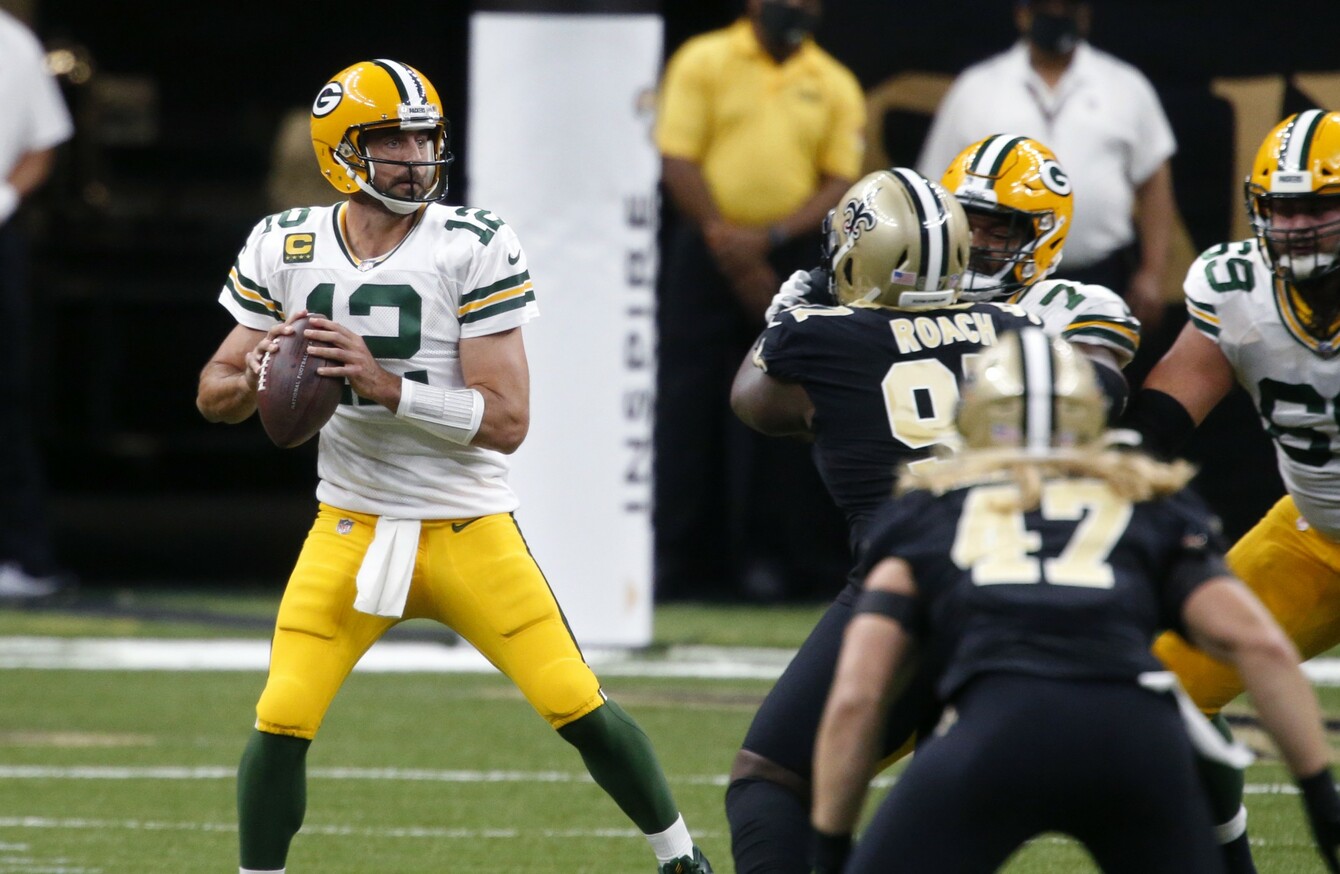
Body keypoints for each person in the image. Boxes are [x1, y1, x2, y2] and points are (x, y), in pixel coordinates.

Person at [195, 59, 711, 874]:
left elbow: (507, 422)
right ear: (340, 151)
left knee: (574, 701)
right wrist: (256, 372)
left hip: (467, 526)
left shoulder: (472, 243)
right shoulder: (285, 242)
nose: (414, 156)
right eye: (392, 140)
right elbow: (214, 391)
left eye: (424, 137)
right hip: (350, 523)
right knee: (282, 714)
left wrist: (385, 387)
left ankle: (682, 860)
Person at [724, 139, 1140, 874]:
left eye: (1005, 227)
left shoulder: (820, 335)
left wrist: (801, 313)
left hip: (911, 582)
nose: (985, 241)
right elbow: (1105, 393)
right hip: (1042, 577)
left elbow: (756, 404)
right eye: (973, 223)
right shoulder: (1024, 329)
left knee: (773, 778)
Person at [809, 328, 1340, 874]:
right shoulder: (1148, 504)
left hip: (993, 732)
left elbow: (858, 696)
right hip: (1134, 741)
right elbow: (1257, 645)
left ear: (972, 416)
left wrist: (828, 844)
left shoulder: (928, 512)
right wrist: (1319, 790)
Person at [1125, 108, 1340, 874]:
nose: (1295, 227)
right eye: (1281, 208)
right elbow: (1159, 422)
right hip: (1315, 538)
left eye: (1317, 207)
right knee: (1161, 696)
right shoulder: (1240, 288)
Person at [653, 0, 865, 601]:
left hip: (792, 252)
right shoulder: (705, 59)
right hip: (704, 247)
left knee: (788, 401)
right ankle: (678, 560)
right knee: (688, 406)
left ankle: (777, 562)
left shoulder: (834, 81)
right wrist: (726, 241)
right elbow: (678, 159)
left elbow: (840, 180)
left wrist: (767, 240)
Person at [915, 0, 1177, 335]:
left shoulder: (1126, 86)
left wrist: (1153, 272)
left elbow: (1154, 182)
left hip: (1099, 276)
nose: (1056, 16)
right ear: (1021, 14)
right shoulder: (976, 88)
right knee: (997, 366)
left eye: (1067, 8)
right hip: (993, 276)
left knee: (1096, 366)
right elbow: (935, 189)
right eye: (1044, 8)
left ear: (1085, 15)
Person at [0, 8, 75, 603]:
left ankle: (25, 556)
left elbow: (43, 146)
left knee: (6, 395)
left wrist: (2, 198)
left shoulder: (12, 43)